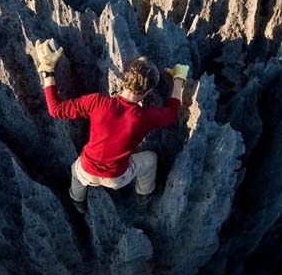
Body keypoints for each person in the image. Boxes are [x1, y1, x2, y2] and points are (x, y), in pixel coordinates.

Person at [34, 38, 189, 213]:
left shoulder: (97, 102)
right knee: (151, 159)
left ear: (124, 78)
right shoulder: (145, 117)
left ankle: (77, 200)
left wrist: (47, 71)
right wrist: (178, 80)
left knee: (76, 174)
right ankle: (144, 194)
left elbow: (56, 110)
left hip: (87, 170)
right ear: (148, 92)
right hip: (117, 178)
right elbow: (171, 114)